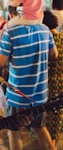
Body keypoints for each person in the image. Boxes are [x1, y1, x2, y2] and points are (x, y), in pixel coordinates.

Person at [0, 18, 58, 150]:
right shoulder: (45, 29)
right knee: (40, 129)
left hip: (17, 94)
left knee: (14, 132)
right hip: (39, 94)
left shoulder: (10, 31)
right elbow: (54, 54)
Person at [42, 11, 63, 150]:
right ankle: (54, 144)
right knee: (58, 115)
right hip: (61, 82)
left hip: (46, 83)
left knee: (44, 117)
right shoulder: (62, 38)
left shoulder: (44, 41)